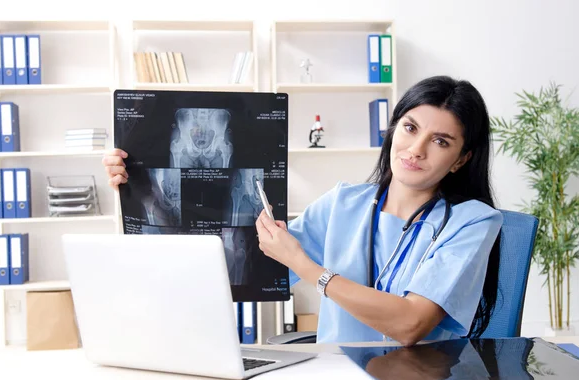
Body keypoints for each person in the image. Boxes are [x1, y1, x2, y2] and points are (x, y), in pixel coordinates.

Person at [103, 75, 503, 346]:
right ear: (393, 129)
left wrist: (313, 271)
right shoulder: (344, 203)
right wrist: (141, 190)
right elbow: (244, 265)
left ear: (460, 159)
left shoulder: (474, 221)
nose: (416, 149)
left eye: (441, 141)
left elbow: (410, 324)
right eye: (411, 129)